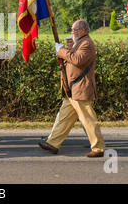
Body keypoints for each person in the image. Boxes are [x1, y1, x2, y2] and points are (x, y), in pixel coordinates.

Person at [38, 19, 106, 157]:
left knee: (88, 119)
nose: (72, 32)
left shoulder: (87, 43)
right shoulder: (80, 42)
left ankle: (98, 148)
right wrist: (67, 49)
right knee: (64, 117)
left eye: (74, 30)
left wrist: (62, 51)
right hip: (74, 89)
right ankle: (53, 143)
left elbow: (77, 60)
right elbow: (73, 59)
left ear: (83, 31)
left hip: (80, 88)